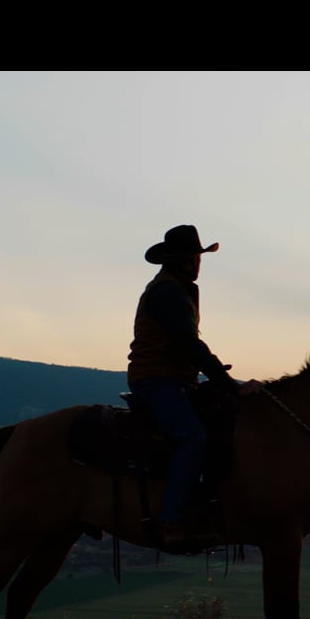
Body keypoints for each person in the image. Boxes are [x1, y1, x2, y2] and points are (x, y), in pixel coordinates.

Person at [127, 224, 258, 551]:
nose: (200, 263)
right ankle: (172, 521)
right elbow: (189, 343)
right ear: (188, 260)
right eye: (198, 257)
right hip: (157, 379)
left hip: (176, 379)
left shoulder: (174, 288)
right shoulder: (169, 292)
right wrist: (226, 382)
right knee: (192, 436)